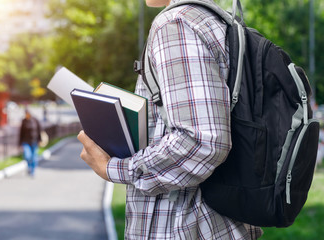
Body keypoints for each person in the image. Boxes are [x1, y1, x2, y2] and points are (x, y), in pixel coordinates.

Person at [77, 0, 263, 238]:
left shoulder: (176, 24)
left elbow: (202, 142)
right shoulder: (217, 20)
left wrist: (114, 168)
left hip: (181, 227)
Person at [19, 108, 42, 177]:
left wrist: (39, 140)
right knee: (27, 156)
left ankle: (32, 171)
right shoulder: (24, 121)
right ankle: (29, 167)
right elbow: (21, 132)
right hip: (26, 141)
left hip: (34, 141)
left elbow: (39, 130)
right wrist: (19, 142)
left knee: (34, 157)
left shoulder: (35, 120)